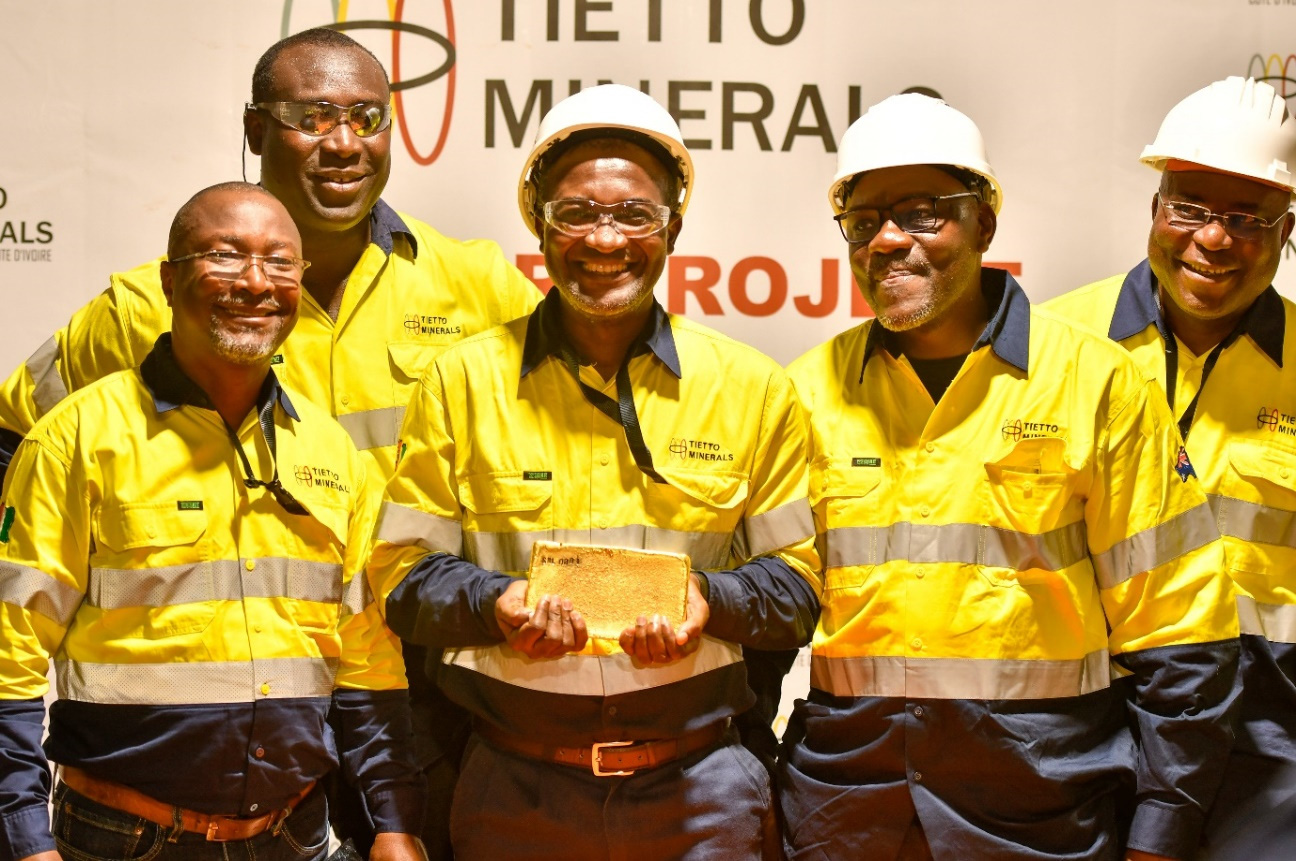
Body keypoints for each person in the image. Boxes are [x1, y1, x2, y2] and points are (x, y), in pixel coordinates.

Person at [0, 28, 540, 858]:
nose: (343, 143)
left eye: (366, 117)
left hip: (407, 698)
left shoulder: (475, 282)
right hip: (176, 740)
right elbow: (16, 439)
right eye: (311, 116)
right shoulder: (143, 303)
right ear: (255, 131)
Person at [777, 93, 1241, 861]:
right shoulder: (804, 391)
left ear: (985, 222)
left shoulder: (1097, 384)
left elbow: (1183, 632)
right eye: (865, 221)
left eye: (925, 212)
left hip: (1041, 807)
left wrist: (1163, 828)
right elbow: (768, 617)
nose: (890, 239)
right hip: (845, 805)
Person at [367, 84, 822, 860]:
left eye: (633, 214)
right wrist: (495, 603)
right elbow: (403, 579)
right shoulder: (462, 380)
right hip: (512, 791)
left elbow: (799, 591)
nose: (604, 239)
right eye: (576, 212)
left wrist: (705, 603)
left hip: (701, 794)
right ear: (538, 225)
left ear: (673, 227)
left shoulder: (751, 388)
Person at [0, 182, 425, 861]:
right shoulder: (77, 438)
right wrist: (22, 835)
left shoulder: (331, 451)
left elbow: (369, 662)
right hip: (123, 840)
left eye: (281, 262)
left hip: (294, 836)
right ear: (169, 280)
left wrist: (393, 819)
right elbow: (7, 658)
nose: (256, 282)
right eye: (224, 256)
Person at [1045, 76, 1296, 849]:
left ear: (1287, 232)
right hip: (1084, 733)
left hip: (1269, 749)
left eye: (1248, 218)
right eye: (1190, 206)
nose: (1214, 239)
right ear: (1154, 209)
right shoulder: (1055, 346)